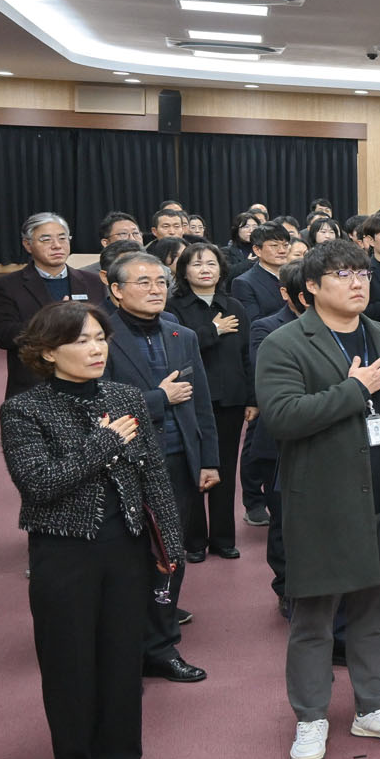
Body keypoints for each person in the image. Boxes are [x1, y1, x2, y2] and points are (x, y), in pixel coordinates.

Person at [255, 239, 380, 759]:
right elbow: (282, 417)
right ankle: (311, 716)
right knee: (314, 620)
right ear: (312, 287)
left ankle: (372, 706)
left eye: (361, 273)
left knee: (376, 612)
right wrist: (355, 389)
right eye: (342, 274)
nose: (357, 282)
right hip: (322, 503)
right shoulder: (284, 344)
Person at [0, 304, 185, 759]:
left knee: (123, 659)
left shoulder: (125, 397)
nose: (97, 349)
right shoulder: (24, 410)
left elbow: (153, 476)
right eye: (81, 341)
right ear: (47, 352)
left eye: (100, 338)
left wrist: (171, 544)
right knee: (69, 663)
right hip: (63, 553)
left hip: (125, 548)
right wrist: (104, 442)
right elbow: (39, 484)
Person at [102, 252, 218, 681]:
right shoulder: (98, 337)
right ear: (116, 290)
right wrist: (158, 399)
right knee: (127, 558)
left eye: (160, 282)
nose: (156, 290)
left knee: (170, 557)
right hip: (122, 465)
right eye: (143, 282)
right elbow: (94, 406)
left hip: (177, 460)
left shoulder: (181, 334)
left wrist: (208, 460)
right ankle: (125, 646)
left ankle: (161, 644)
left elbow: (200, 402)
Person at [167, 241, 251, 562]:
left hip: (230, 399)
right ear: (184, 271)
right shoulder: (174, 308)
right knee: (192, 470)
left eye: (211, 264)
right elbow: (178, 350)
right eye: (197, 264)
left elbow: (246, 354)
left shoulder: (234, 306)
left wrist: (251, 397)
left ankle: (222, 538)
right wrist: (212, 330)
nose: (205, 270)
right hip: (190, 400)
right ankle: (194, 541)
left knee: (225, 470)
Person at [0, 211, 110, 398]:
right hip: (34, 384)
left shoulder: (93, 282)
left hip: (88, 382)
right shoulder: (7, 285)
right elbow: (2, 335)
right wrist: (52, 321)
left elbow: (106, 329)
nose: (57, 245)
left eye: (62, 238)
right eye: (46, 239)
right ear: (27, 245)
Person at [248, 264, 305, 598]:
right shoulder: (266, 328)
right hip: (278, 440)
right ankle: (285, 586)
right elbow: (269, 379)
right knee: (283, 519)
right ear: (288, 294)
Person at [232, 220, 292, 326]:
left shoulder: (297, 275)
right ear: (257, 250)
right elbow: (255, 323)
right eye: (274, 246)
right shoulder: (244, 283)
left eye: (285, 245)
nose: (282, 250)